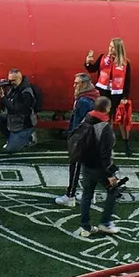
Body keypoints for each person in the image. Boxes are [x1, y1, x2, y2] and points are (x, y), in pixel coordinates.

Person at [70, 96, 121, 238]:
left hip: (86, 164)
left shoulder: (86, 119)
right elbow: (105, 156)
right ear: (107, 109)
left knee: (87, 194)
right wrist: (110, 174)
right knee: (113, 191)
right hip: (99, 167)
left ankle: (85, 227)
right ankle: (106, 222)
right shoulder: (105, 128)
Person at [55, 73, 100, 206]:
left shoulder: (83, 101)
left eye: (77, 83)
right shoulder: (95, 96)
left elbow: (81, 122)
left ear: (84, 84)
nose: (74, 85)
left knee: (75, 167)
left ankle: (70, 196)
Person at [86, 38, 133, 155]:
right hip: (103, 92)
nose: (110, 49)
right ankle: (106, 143)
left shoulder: (125, 63)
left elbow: (127, 81)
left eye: (113, 47)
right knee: (106, 119)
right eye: (110, 46)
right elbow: (92, 69)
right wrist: (88, 62)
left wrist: (125, 97)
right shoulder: (103, 58)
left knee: (121, 119)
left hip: (117, 93)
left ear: (118, 49)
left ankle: (126, 144)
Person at [0, 69, 38, 152]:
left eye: (13, 80)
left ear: (20, 79)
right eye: (9, 80)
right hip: (13, 120)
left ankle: (30, 137)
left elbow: (15, 109)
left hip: (23, 125)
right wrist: (4, 93)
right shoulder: (13, 88)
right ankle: (13, 138)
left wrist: (3, 97)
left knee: (10, 150)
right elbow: (3, 106)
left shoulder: (26, 93)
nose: (10, 83)